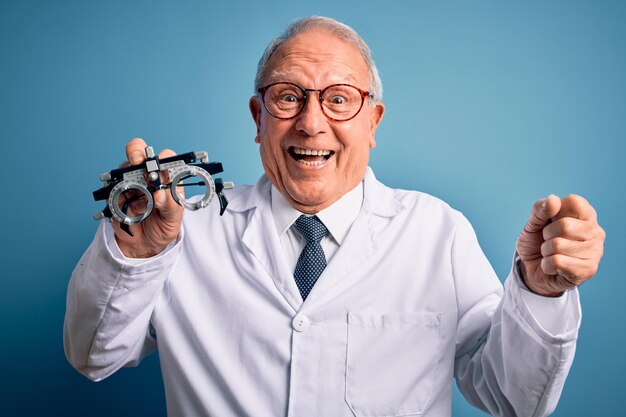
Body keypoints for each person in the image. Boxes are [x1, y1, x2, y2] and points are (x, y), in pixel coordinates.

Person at [64, 16, 605, 417]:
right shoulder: (185, 231)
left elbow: (511, 398)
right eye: (287, 97)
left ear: (373, 121)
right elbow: (92, 357)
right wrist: (136, 251)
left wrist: (540, 292)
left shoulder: (436, 232)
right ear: (258, 118)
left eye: (339, 99)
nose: (311, 123)